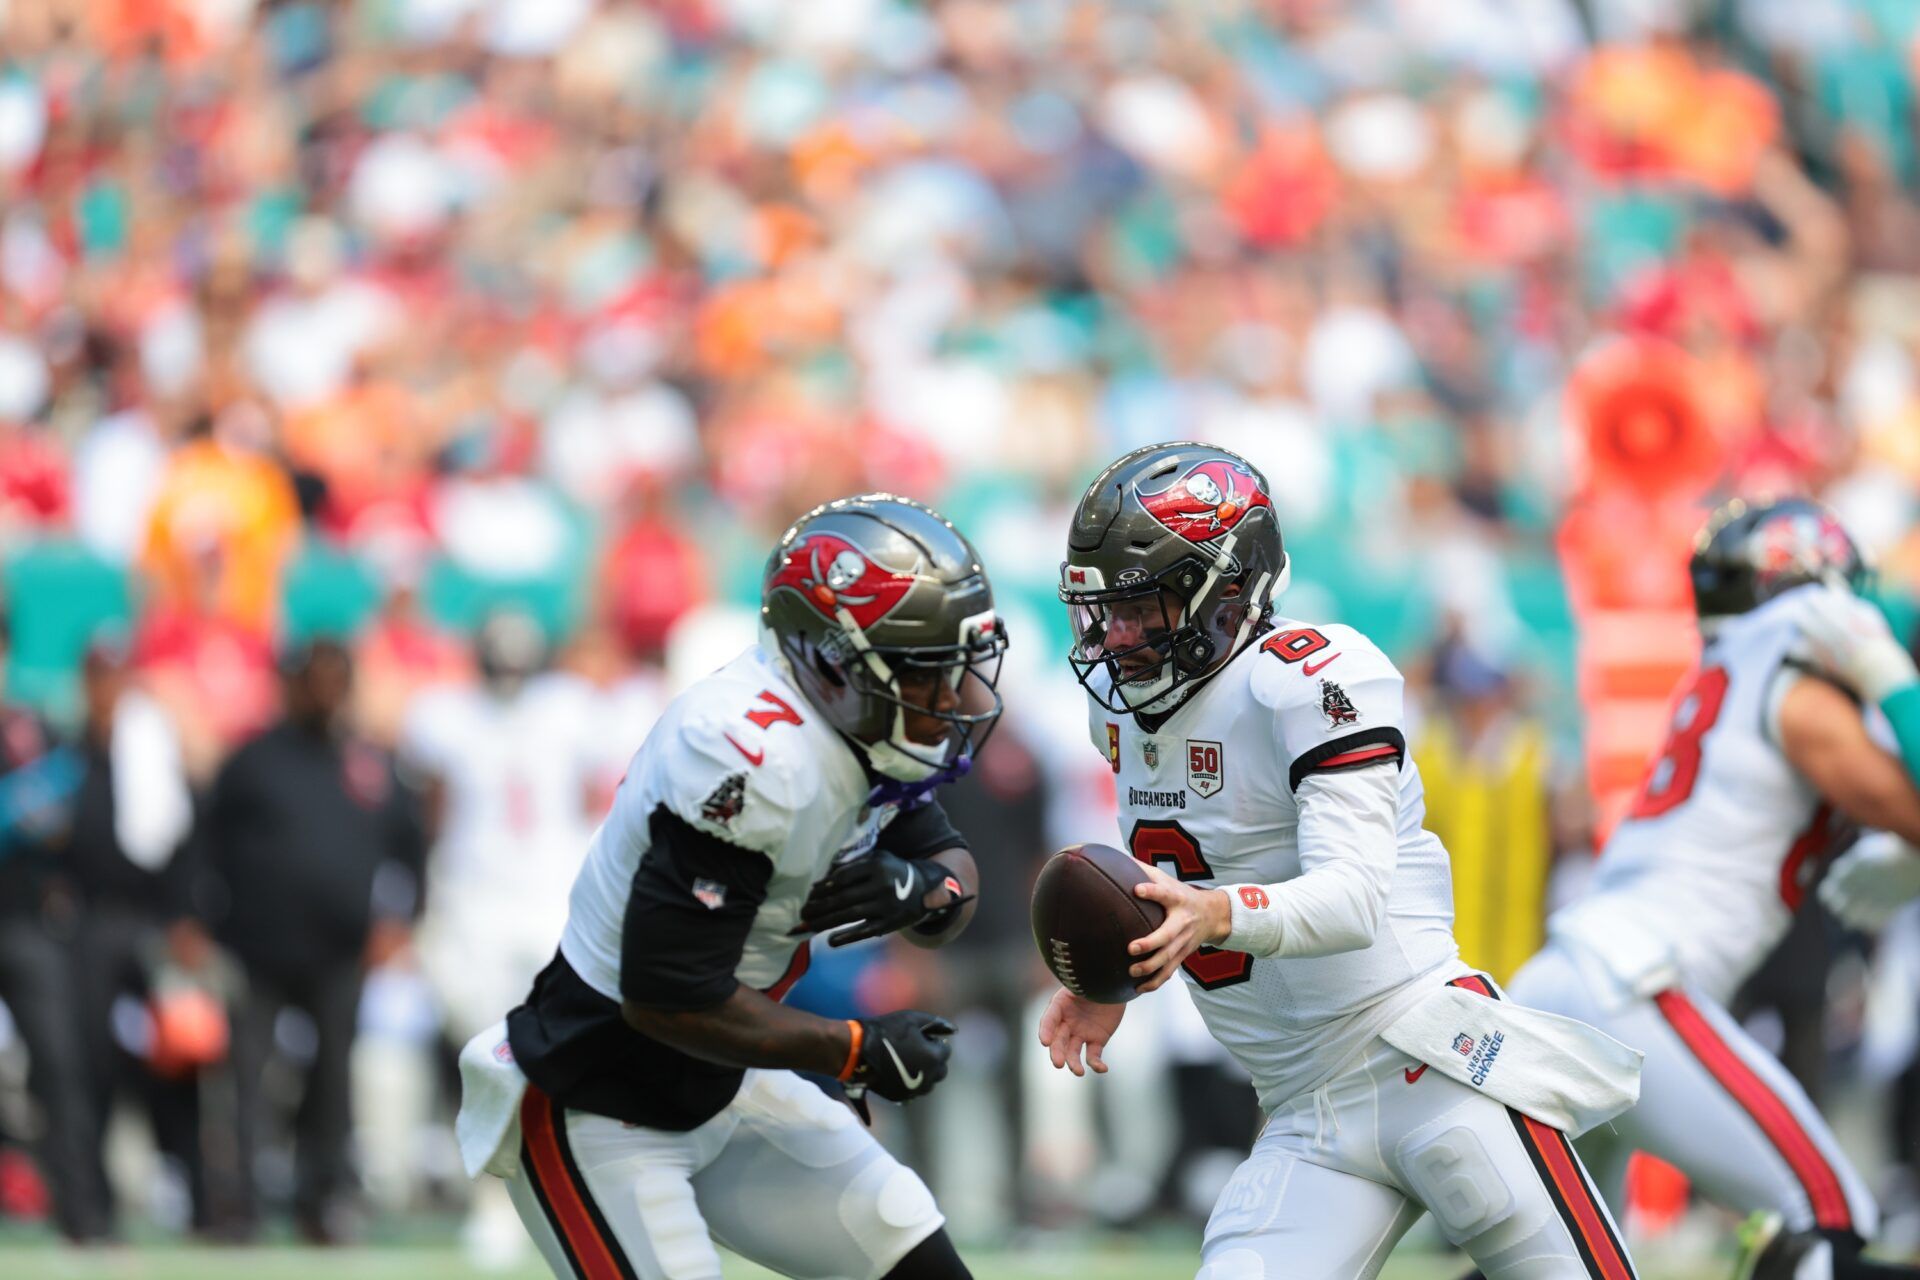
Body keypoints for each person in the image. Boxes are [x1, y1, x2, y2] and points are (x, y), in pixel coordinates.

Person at [1040, 442, 1643, 1280]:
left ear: (1225, 593)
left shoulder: (1310, 678)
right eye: (1107, 609)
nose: (1119, 635)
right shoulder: (1124, 722)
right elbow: (1193, 880)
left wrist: (1212, 914)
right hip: (1302, 1113)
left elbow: (1351, 898)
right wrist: (1122, 974)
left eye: (1146, 607)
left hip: (1427, 1062)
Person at [455, 494, 1006, 1280]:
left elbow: (953, 874)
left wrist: (927, 892)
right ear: (830, 662)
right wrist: (854, 1048)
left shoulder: (855, 721)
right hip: (602, 1093)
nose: (951, 698)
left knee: (910, 1250)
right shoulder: (750, 758)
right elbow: (666, 994)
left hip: (723, 1076)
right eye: (925, 672)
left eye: (955, 667)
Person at [1502, 497, 1920, 1280]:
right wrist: (1892, 679)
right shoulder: (1800, 689)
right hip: (1637, 989)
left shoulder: (1727, 674)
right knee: (1826, 1226)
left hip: (1561, 973)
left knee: (1546, 1263)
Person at [196, 638, 426, 1242]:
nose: (324, 693)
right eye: (313, 680)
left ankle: (323, 1202)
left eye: (335, 680)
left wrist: (403, 920)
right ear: (290, 685)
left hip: (340, 952)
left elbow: (411, 845)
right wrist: (196, 921)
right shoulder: (252, 760)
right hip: (257, 948)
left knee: (331, 1084)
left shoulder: (369, 763)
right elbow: (203, 846)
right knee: (247, 1080)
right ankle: (239, 1204)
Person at [401, 607, 604, 1267]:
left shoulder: (571, 707)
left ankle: (569, 1189)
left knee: (563, 1051)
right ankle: (494, 1201)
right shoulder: (446, 716)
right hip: (475, 901)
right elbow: (431, 809)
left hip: (549, 899)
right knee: (486, 1052)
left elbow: (598, 794)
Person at [65, 636, 208, 1232]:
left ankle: (193, 1193)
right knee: (91, 1065)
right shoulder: (66, 753)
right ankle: (94, 1203)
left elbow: (183, 840)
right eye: (100, 675)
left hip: (154, 923)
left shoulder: (153, 750)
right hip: (91, 924)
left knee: (176, 1061)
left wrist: (187, 916)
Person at [0, 612, 108, 1242]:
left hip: (25, 921)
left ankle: (84, 1216)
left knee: (61, 1068)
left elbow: (72, 816)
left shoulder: (33, 728)